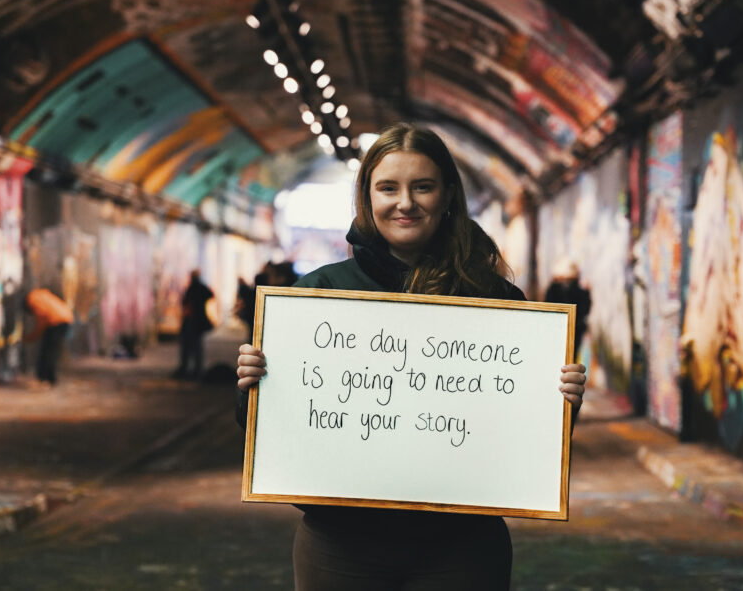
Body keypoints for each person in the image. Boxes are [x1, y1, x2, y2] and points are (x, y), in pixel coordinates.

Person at [235, 123, 587, 590]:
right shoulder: (318, 294)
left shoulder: (495, 299)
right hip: (341, 547)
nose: (405, 202)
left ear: (447, 197)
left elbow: (530, 433)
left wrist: (564, 400)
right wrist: (253, 385)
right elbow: (265, 429)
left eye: (423, 186)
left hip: (462, 546)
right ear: (367, 198)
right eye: (388, 188)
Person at [24, 287, 74, 386]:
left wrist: (31, 337)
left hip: (58, 321)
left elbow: (41, 322)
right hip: (63, 318)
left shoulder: (32, 300)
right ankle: (48, 378)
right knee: (50, 350)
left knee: (48, 351)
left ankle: (45, 378)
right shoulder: (38, 294)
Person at [544, 257, 592, 354]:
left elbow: (584, 309)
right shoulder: (554, 289)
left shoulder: (578, 291)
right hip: (557, 330)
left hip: (575, 330)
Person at [172, 269, 214, 380]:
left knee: (188, 346)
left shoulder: (191, 288)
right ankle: (196, 370)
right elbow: (211, 295)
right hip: (199, 320)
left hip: (192, 321)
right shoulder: (202, 287)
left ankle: (187, 369)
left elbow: (185, 303)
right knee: (197, 347)